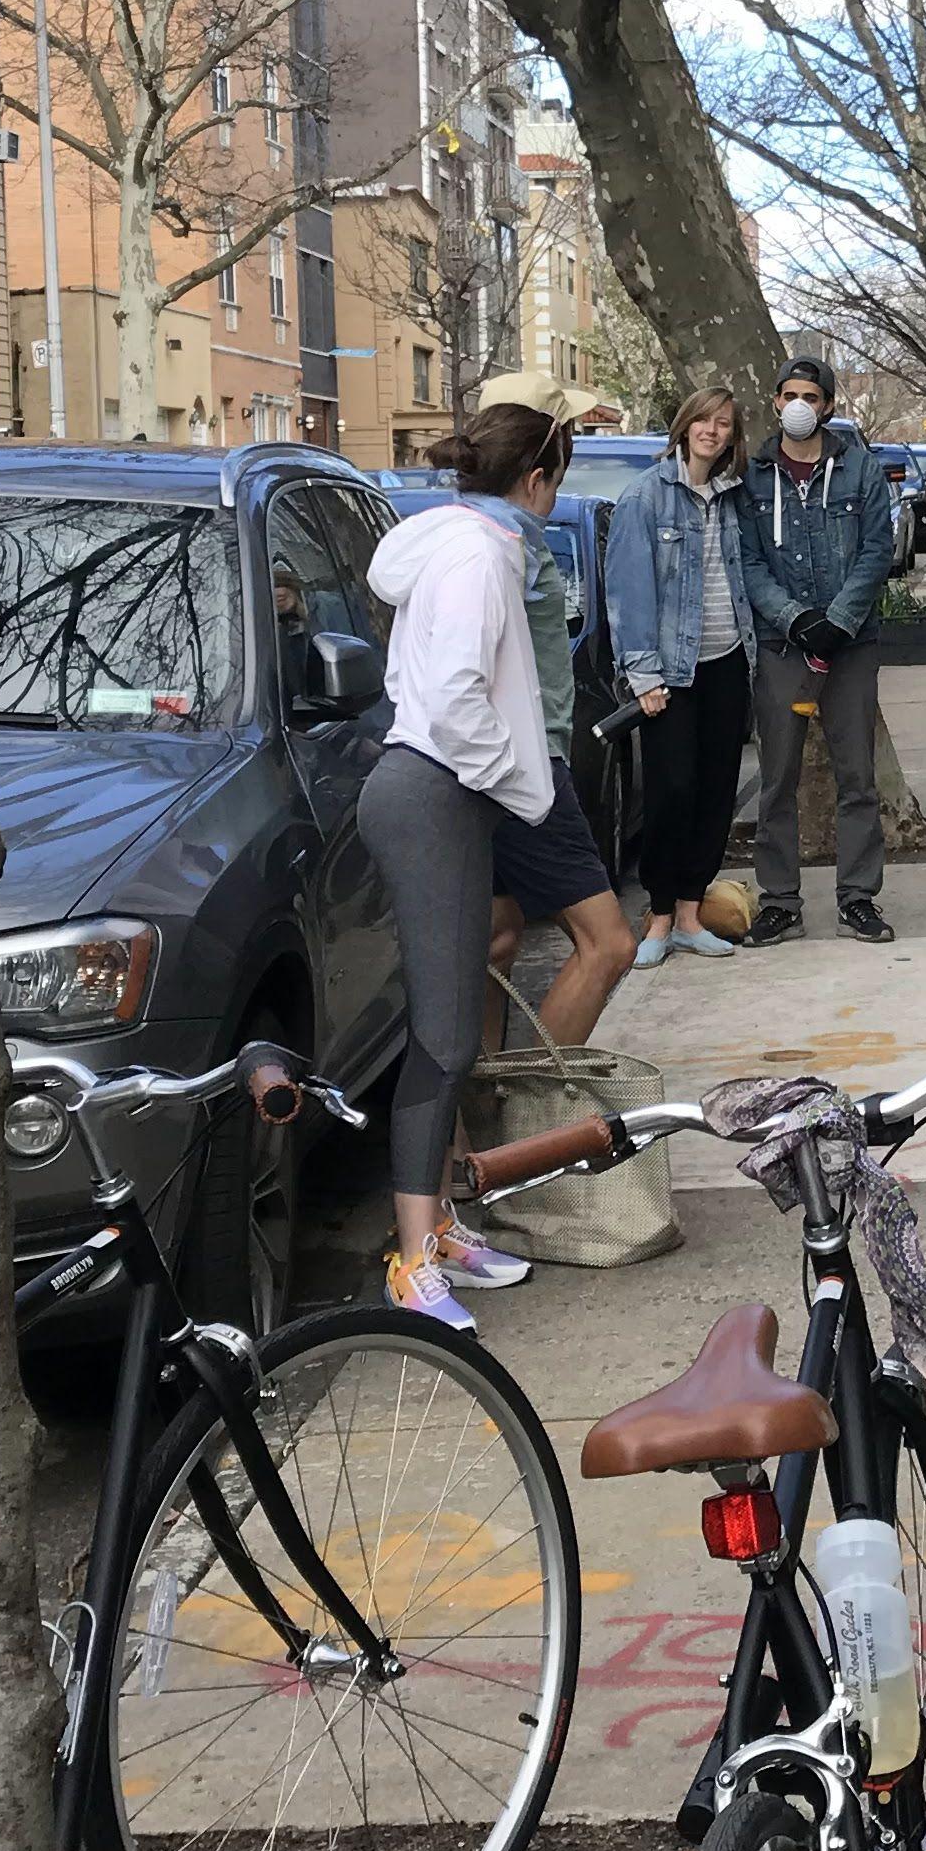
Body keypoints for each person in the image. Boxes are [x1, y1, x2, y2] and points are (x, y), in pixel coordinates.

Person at [361, 402, 563, 1327]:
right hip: (435, 793)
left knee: (446, 1029)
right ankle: (412, 1261)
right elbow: (453, 697)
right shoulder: (481, 556)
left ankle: (436, 1230)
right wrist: (509, 776)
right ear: (536, 481)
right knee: (442, 1039)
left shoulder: (449, 545)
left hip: (431, 792)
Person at [468, 384, 637, 1051]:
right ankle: (534, 1114)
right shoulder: (503, 546)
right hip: (527, 767)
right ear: (536, 476)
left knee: (498, 936)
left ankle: (477, 1117)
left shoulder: (478, 532)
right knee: (608, 944)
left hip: (500, 766)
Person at [743, 350, 899, 946]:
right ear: (776, 401)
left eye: (812, 396)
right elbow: (748, 560)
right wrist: (795, 617)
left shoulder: (859, 469)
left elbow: (876, 549)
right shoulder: (753, 475)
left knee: (856, 774)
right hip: (783, 647)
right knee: (776, 777)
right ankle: (780, 900)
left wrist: (838, 621)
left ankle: (858, 897)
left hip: (851, 646)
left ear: (828, 406)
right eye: (790, 395)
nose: (799, 406)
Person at [608, 380, 758, 968]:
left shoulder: (732, 496)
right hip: (671, 673)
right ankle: (660, 915)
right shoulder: (645, 497)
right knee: (671, 792)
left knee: (717, 792)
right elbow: (628, 591)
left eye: (724, 423)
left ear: (731, 437)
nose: (712, 431)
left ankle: (692, 915)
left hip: (727, 664)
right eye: (704, 420)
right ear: (685, 425)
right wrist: (642, 674)